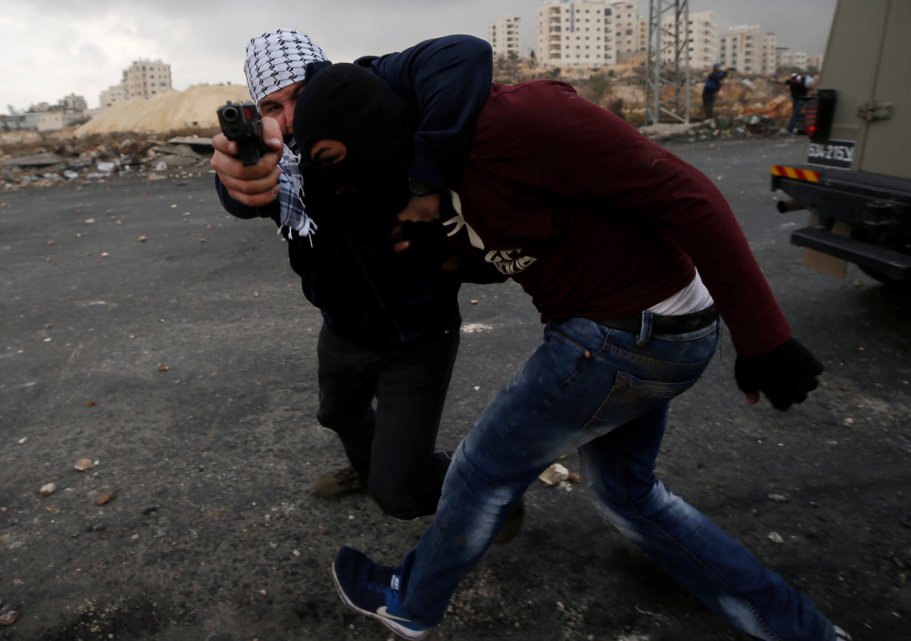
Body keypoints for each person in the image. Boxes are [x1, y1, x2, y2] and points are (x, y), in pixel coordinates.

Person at [292, 63, 853, 641]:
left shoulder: (521, 119)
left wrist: (764, 338)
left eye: (336, 158)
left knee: (481, 471)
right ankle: (799, 629)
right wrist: (446, 257)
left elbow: (688, 194)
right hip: (639, 337)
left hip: (626, 334)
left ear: (368, 128)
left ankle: (409, 601)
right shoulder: (426, 177)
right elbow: (520, 251)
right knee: (627, 495)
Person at [210, 31, 496, 520]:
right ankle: (372, 471)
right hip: (342, 328)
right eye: (274, 107)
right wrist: (233, 180)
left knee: (401, 496)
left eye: (301, 94)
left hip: (417, 335)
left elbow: (466, 54)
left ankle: (486, 488)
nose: (294, 118)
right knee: (338, 415)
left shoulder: (369, 101)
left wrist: (424, 182)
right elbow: (243, 190)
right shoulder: (284, 164)